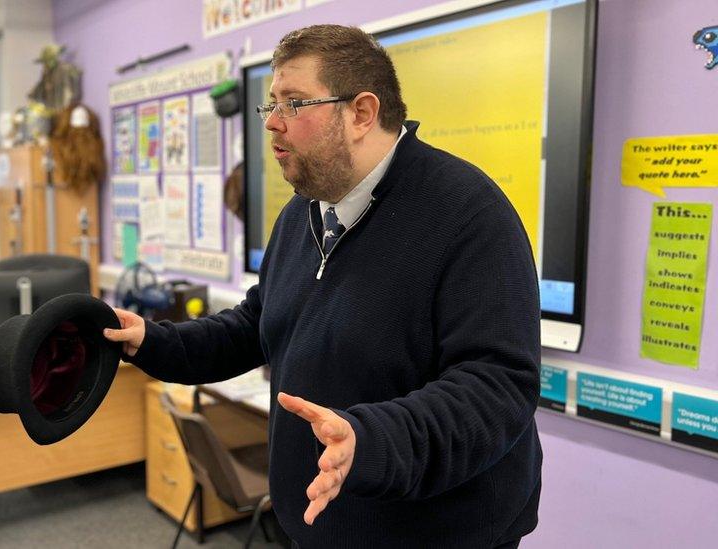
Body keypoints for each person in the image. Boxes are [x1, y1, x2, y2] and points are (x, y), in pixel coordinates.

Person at [104, 24, 542, 548]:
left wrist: (370, 441)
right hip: (316, 522)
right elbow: (256, 324)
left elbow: (496, 387)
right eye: (271, 106)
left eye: (293, 103)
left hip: (432, 533)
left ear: (361, 113)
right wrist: (152, 342)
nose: (272, 125)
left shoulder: (469, 214)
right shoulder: (301, 214)